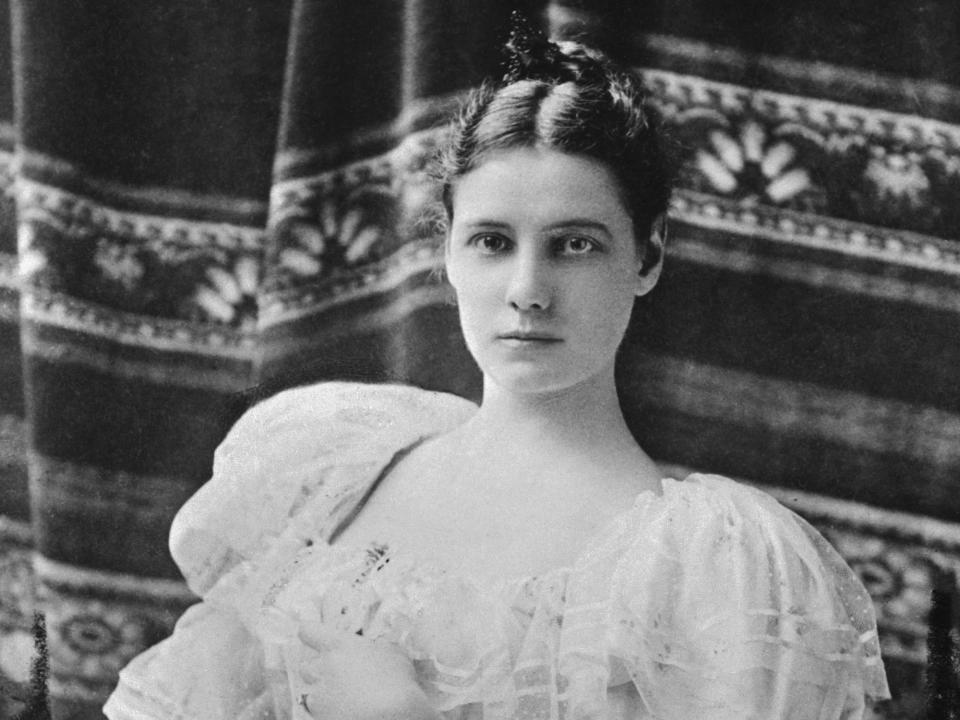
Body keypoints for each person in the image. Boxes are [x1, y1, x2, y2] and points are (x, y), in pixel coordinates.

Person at [104, 16, 890, 720]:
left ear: (647, 258)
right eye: (492, 242)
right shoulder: (336, 470)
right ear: (446, 252)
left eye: (574, 244)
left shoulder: (713, 570)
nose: (527, 293)